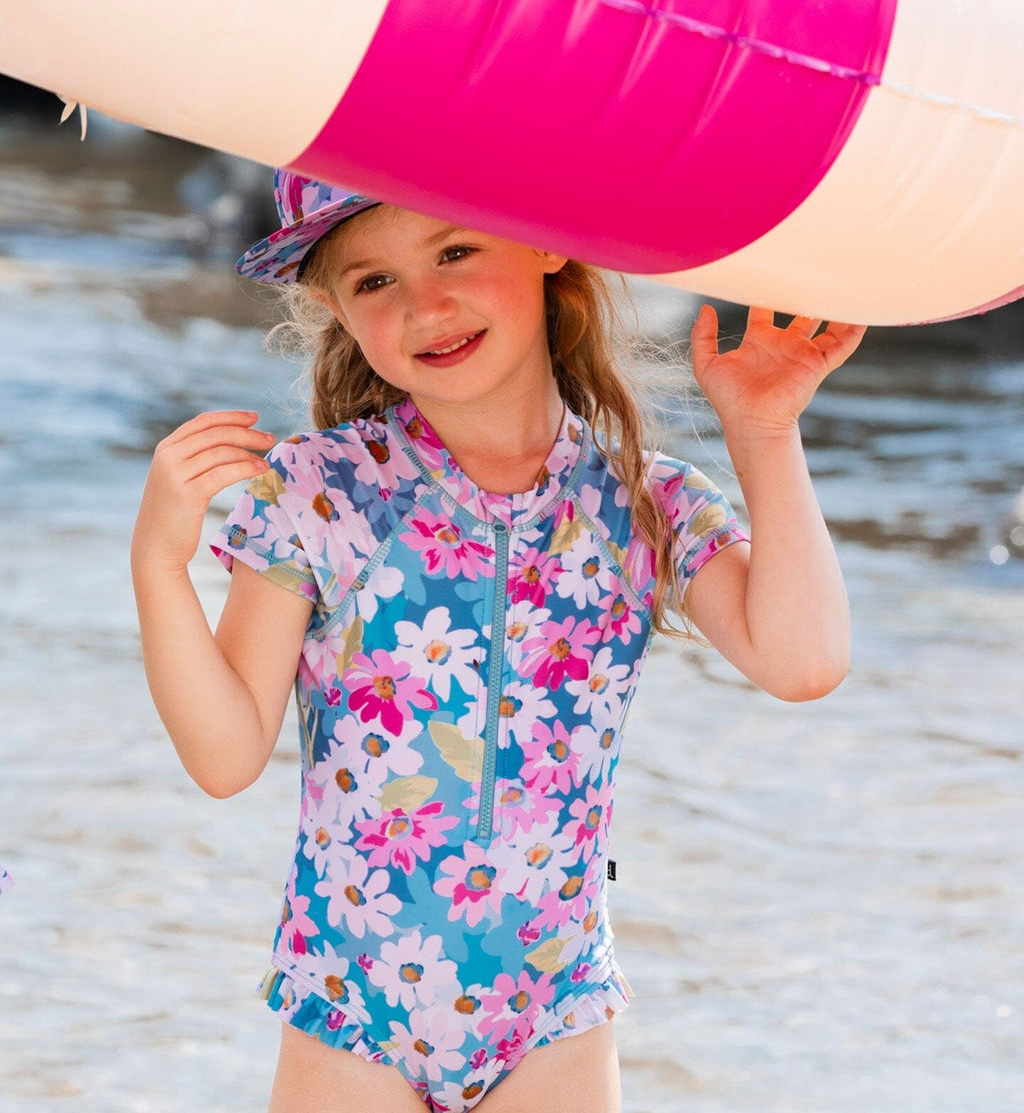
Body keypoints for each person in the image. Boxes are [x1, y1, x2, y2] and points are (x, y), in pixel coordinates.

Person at [131, 170, 864, 1113]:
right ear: (337, 310)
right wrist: (159, 564)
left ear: (546, 241)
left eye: (456, 250)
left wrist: (762, 430)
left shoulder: (644, 501)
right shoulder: (320, 492)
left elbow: (804, 662)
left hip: (556, 1014)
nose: (426, 305)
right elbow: (225, 756)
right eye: (374, 280)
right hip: (355, 1006)